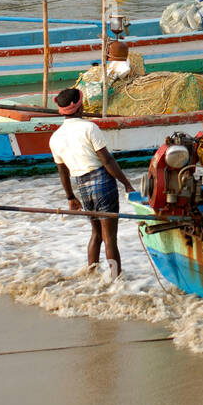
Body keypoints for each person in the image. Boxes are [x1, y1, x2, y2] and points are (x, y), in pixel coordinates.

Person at [50, 88, 136, 279]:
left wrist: (71, 197)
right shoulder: (89, 128)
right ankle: (115, 280)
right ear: (80, 108)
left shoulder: (55, 138)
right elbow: (107, 160)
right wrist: (127, 184)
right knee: (110, 238)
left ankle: (92, 276)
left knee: (96, 234)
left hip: (82, 186)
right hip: (102, 182)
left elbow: (62, 171)